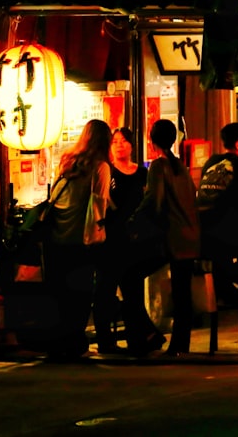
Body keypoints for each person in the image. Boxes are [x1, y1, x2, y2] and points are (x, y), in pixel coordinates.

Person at [45, 119, 112, 361]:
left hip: (56, 239)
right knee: (81, 295)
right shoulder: (101, 167)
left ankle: (57, 343)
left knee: (61, 294)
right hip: (81, 241)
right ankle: (74, 343)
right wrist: (99, 238)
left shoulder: (67, 161)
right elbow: (98, 206)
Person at [134, 119, 201, 357]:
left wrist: (134, 220)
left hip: (171, 237)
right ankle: (180, 344)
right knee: (183, 292)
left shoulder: (158, 166)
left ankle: (154, 337)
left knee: (130, 275)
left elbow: (155, 200)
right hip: (189, 236)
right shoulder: (180, 167)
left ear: (151, 141)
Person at [92, 127, 149, 354]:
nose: (119, 145)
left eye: (124, 141)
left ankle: (138, 338)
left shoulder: (141, 173)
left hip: (133, 238)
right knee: (105, 289)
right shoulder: (107, 171)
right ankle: (105, 339)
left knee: (132, 289)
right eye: (115, 141)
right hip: (110, 237)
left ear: (132, 145)